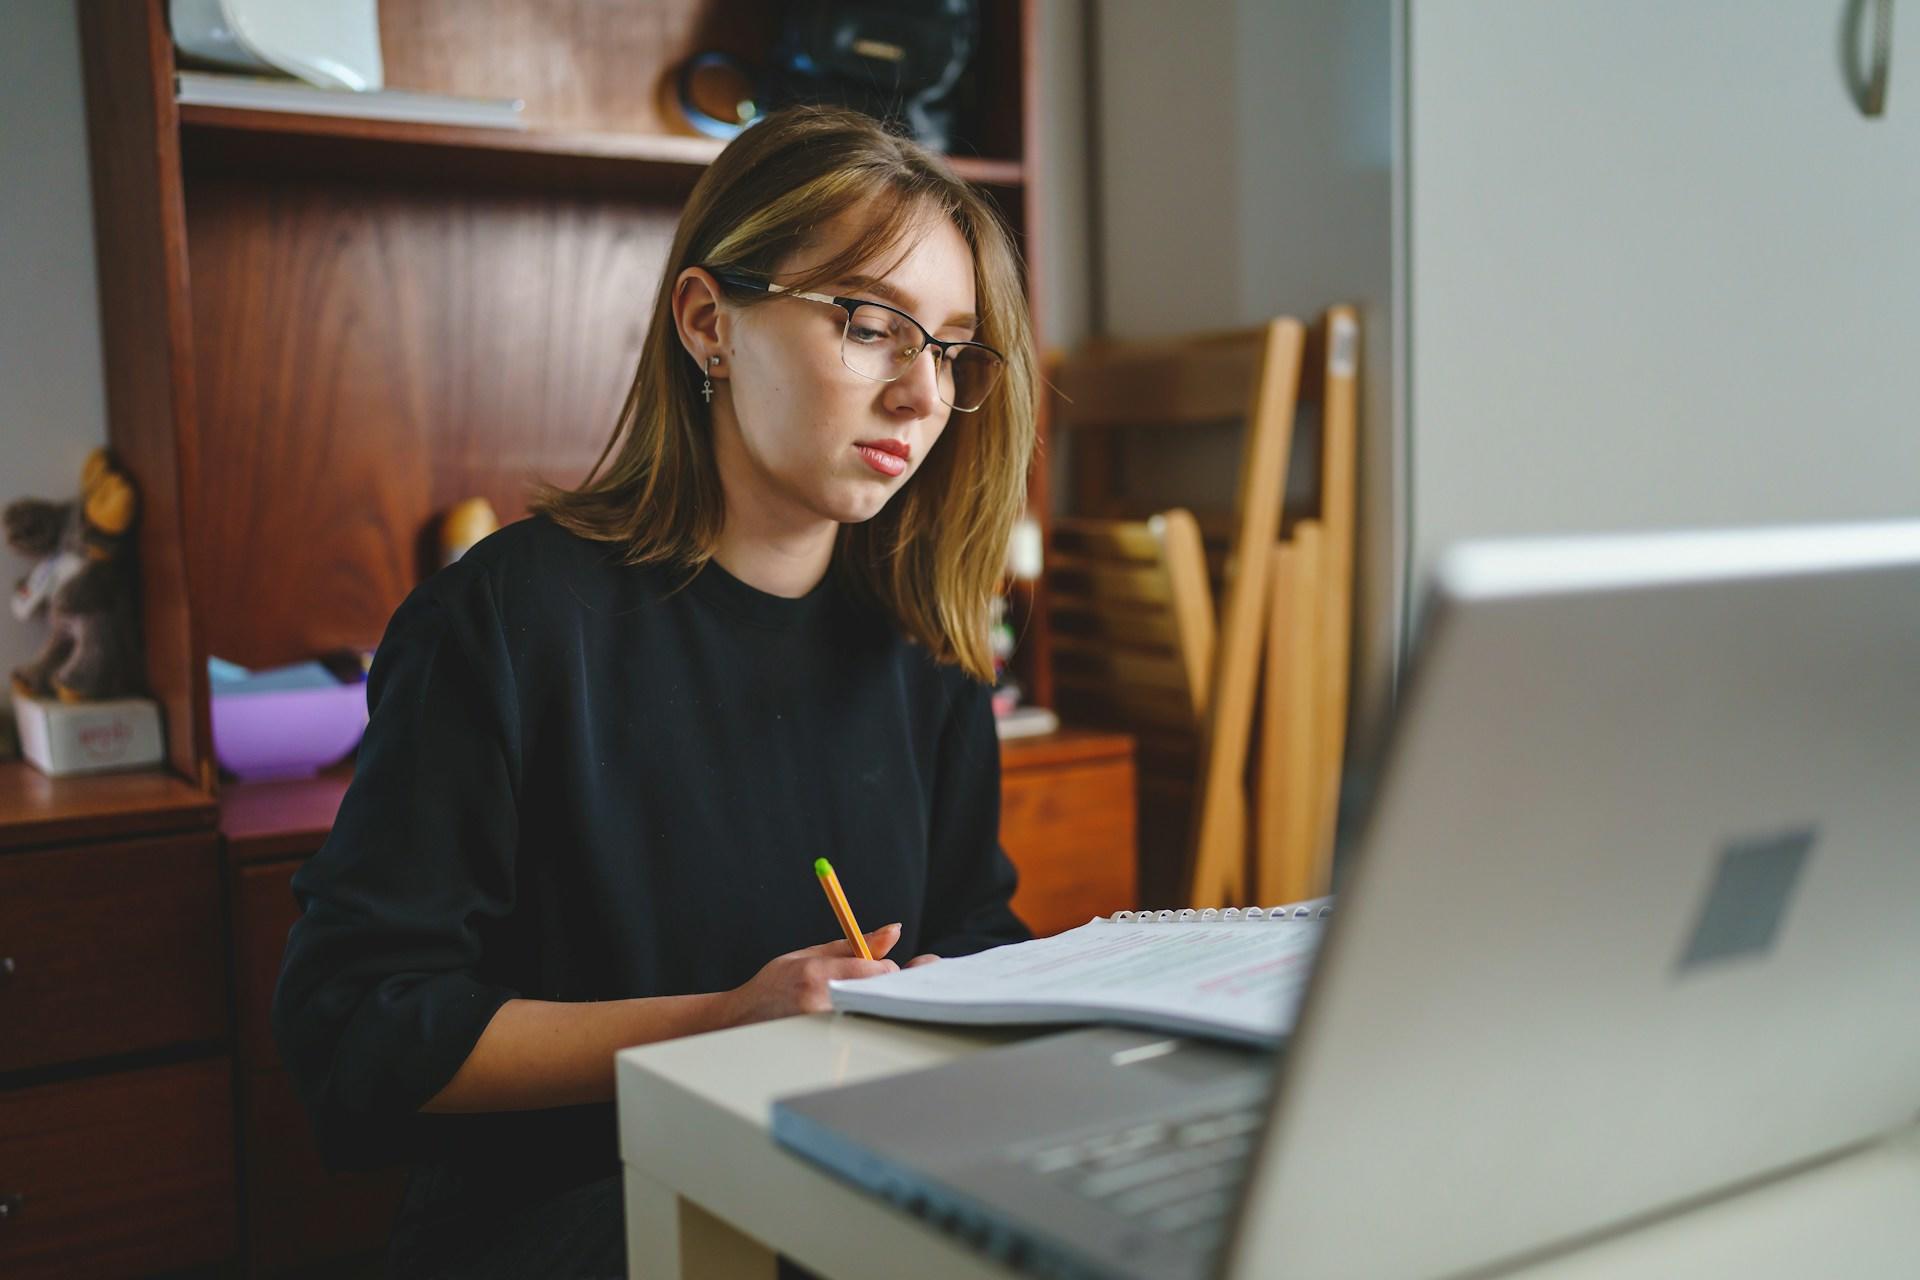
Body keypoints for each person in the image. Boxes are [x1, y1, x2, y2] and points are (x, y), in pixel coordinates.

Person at [271, 104, 1038, 1279]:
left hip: (839, 1190)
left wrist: (966, 992)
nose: (921, 395)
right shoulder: (506, 621)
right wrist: (723, 1020)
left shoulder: (924, 638)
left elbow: (973, 923)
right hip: (572, 1218)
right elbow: (358, 1029)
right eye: (872, 324)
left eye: (949, 349)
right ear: (707, 322)